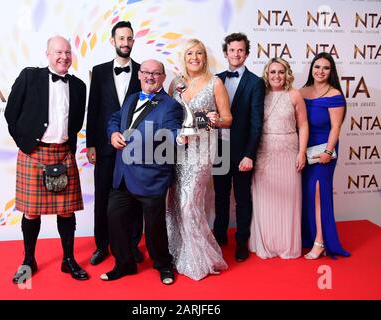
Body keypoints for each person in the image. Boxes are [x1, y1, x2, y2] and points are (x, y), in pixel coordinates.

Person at [5, 36, 89, 283]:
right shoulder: (30, 77)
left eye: (67, 52)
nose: (63, 57)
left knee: (66, 211)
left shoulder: (79, 86)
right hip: (34, 153)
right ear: (48, 54)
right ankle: (28, 260)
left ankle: (68, 260)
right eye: (58, 52)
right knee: (31, 212)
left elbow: (75, 123)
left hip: (63, 153)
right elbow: (11, 113)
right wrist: (25, 143)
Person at [101, 59, 183, 284]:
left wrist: (181, 137)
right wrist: (112, 134)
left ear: (163, 78)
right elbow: (115, 119)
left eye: (156, 73)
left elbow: (172, 132)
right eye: (146, 72)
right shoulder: (131, 98)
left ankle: (163, 265)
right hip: (123, 175)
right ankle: (124, 264)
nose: (150, 76)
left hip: (152, 177)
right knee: (114, 218)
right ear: (139, 74)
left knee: (155, 227)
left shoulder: (170, 106)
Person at [166, 39, 232, 281]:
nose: (195, 57)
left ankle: (200, 257)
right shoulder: (176, 82)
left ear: (205, 57)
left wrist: (215, 118)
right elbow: (168, 115)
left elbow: (228, 119)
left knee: (188, 203)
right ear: (184, 57)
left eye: (200, 53)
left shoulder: (215, 83)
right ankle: (177, 252)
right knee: (173, 202)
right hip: (178, 150)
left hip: (203, 150)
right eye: (190, 53)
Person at [86, 21, 144, 266]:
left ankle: (132, 245)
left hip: (135, 148)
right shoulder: (98, 71)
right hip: (105, 146)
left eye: (129, 38)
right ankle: (102, 245)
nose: (125, 43)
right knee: (103, 196)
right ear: (113, 41)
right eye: (121, 38)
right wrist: (91, 144)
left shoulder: (143, 71)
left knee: (133, 197)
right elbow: (94, 110)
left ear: (133, 41)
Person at [249, 57, 309, 259]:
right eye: (272, 72)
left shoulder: (294, 95)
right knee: (265, 200)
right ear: (267, 74)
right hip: (264, 152)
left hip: (288, 152)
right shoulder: (260, 94)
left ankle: (287, 245)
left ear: (287, 74)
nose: (277, 76)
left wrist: (302, 153)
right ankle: (266, 243)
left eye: (281, 72)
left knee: (287, 200)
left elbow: (303, 125)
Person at [213, 33, 265, 261]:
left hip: (242, 151)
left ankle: (241, 241)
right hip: (218, 149)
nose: (236, 54)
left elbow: (256, 123)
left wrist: (249, 155)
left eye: (240, 50)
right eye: (232, 50)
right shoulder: (215, 79)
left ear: (246, 53)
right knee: (220, 196)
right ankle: (219, 236)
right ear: (226, 53)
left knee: (243, 198)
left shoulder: (255, 82)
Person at [300, 52, 350, 259]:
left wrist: (328, 152)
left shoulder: (334, 94)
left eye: (326, 68)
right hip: (303, 151)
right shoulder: (302, 92)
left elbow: (336, 127)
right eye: (317, 66)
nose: (320, 71)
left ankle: (321, 241)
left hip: (324, 153)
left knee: (319, 195)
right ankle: (309, 236)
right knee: (306, 195)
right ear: (312, 68)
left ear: (331, 71)